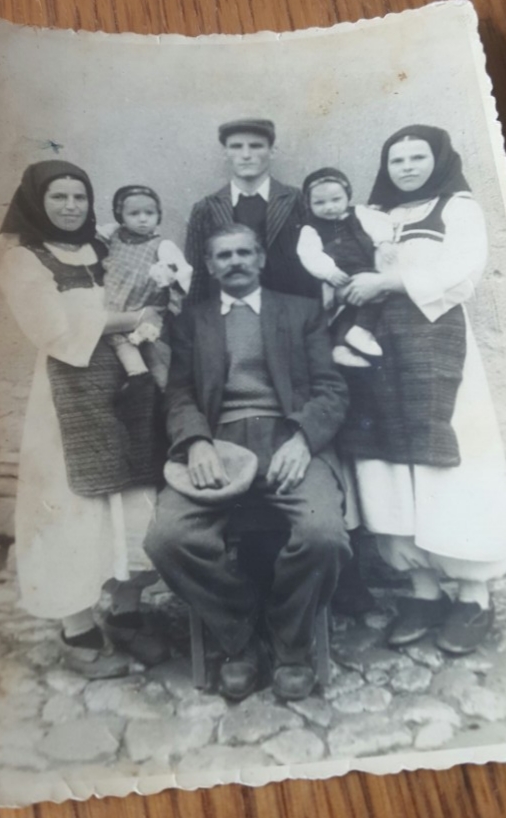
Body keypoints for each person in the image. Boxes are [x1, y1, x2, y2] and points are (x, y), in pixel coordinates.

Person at [145, 224, 351, 702]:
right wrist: (196, 442)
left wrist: (303, 439)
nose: (235, 262)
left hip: (287, 439)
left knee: (323, 536)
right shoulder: (192, 320)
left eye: (244, 253)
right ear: (210, 266)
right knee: (167, 538)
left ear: (261, 259)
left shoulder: (300, 311)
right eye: (224, 255)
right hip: (218, 445)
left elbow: (331, 389)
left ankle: (291, 642)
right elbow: (178, 393)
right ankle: (239, 634)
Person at [338, 126, 506, 654]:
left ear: (438, 161)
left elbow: (462, 274)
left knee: (450, 461)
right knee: (388, 462)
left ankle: (473, 594)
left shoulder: (457, 208)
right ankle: (422, 591)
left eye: (418, 157)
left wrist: (386, 282)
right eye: (397, 160)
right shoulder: (373, 215)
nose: (408, 168)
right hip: (379, 348)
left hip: (438, 347)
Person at [0, 160, 168, 678]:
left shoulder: (106, 248)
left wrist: (149, 314)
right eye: (58, 197)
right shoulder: (24, 260)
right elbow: (54, 328)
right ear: (36, 203)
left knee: (133, 496)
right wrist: (134, 317)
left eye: (79, 197)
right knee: (73, 507)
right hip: (65, 399)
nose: (71, 206)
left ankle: (126, 612)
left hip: (125, 391)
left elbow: (147, 293)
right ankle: (78, 629)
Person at [184, 118, 319, 304]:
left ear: (272, 151)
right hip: (228, 312)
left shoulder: (298, 201)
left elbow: (320, 258)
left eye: (256, 146)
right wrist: (194, 318)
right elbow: (197, 275)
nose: (246, 155)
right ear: (225, 153)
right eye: (236, 147)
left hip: (291, 310)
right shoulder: (205, 208)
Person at [296, 167, 397, 367]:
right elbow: (309, 254)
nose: (329, 207)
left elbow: (379, 225)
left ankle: (343, 345)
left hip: (367, 268)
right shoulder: (310, 228)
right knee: (361, 301)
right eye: (319, 202)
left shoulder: (360, 213)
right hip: (340, 274)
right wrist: (329, 272)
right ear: (308, 203)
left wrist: (384, 242)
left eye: (336, 200)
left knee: (362, 302)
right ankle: (359, 332)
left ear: (347, 196)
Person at [102, 184, 192, 387]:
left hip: (145, 309)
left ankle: (165, 393)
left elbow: (183, 274)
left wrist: (169, 278)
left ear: (158, 216)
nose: (143, 219)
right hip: (116, 310)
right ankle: (139, 385)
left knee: (156, 358)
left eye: (149, 213)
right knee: (122, 350)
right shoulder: (113, 236)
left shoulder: (162, 246)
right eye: (134, 213)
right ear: (121, 216)